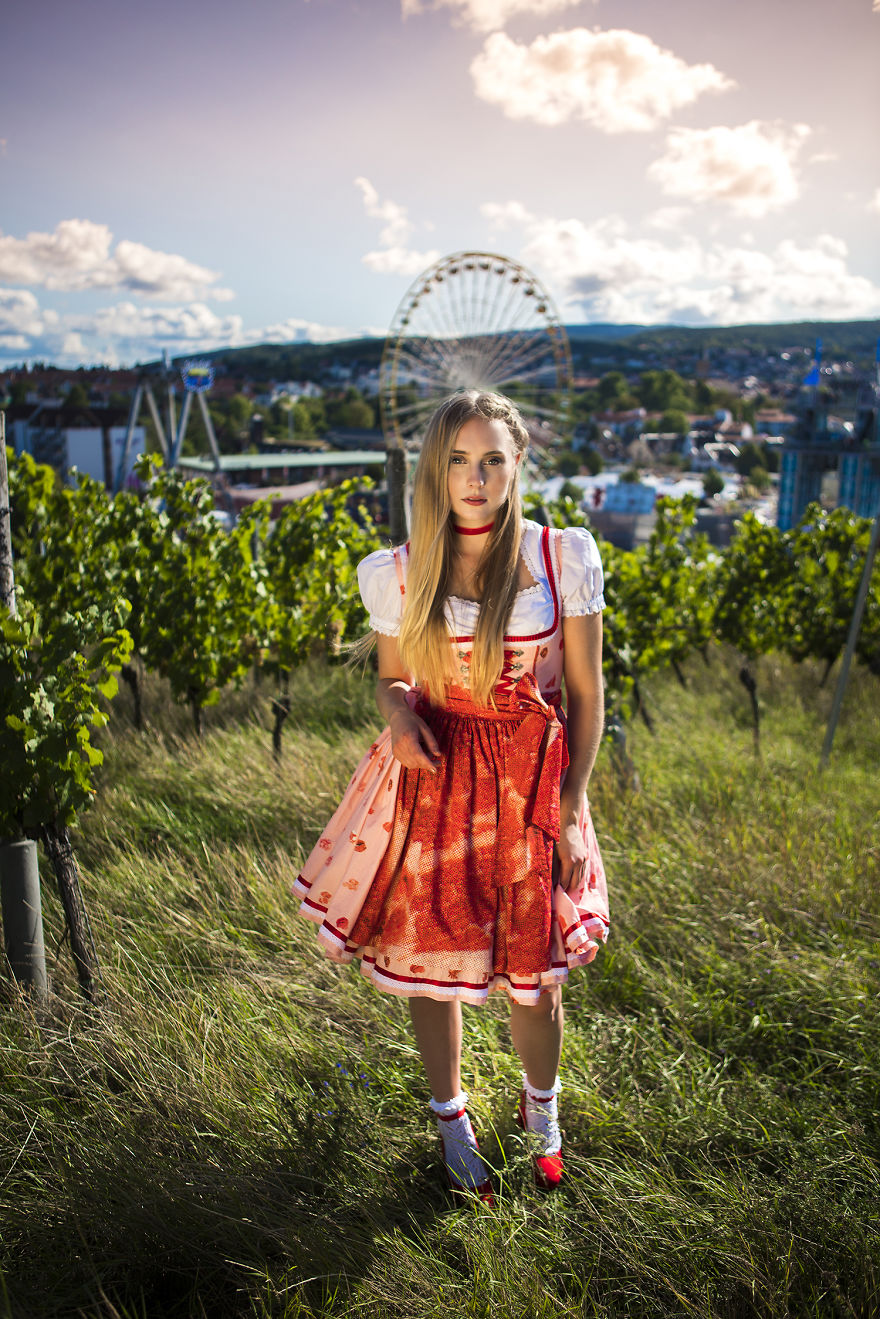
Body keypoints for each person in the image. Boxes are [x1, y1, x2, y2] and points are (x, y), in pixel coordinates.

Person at [294, 390, 609, 1203]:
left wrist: (570, 812)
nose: (476, 477)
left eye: (493, 460)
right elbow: (392, 679)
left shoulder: (557, 557)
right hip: (434, 782)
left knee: (537, 978)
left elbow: (586, 694)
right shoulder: (402, 569)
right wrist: (398, 714)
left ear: (517, 464)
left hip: (531, 783)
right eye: (460, 461)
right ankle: (451, 1117)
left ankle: (542, 1110)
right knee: (434, 969)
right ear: (437, 469)